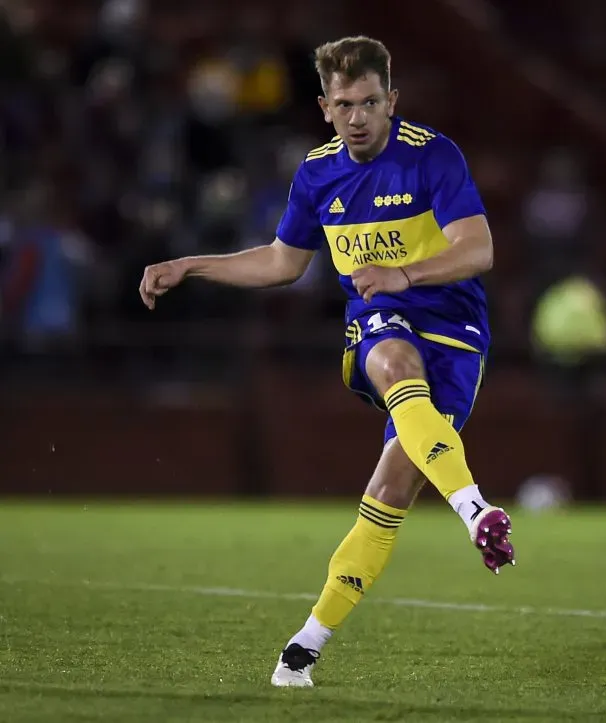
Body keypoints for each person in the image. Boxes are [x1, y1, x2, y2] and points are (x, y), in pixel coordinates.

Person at [138, 36, 515, 688]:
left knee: (389, 492)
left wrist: (404, 272)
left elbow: (477, 247)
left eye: (372, 101)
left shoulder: (433, 156)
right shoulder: (317, 172)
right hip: (378, 325)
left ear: (391, 100)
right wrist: (192, 264)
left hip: (455, 332)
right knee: (395, 359)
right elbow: (284, 262)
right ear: (324, 106)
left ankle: (302, 651)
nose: (360, 116)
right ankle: (478, 510)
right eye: (346, 104)